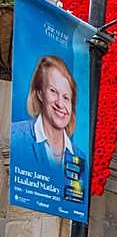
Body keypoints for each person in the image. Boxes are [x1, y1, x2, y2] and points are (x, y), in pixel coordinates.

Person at [12, 55, 85, 188]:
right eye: (53, 91)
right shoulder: (15, 136)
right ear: (40, 94)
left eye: (66, 97)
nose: (60, 104)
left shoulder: (79, 157)